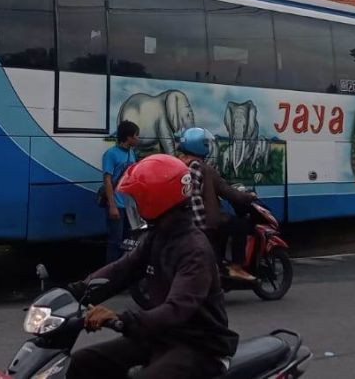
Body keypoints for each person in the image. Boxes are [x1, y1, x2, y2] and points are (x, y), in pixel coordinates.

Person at [66, 153, 238, 379]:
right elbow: (121, 271)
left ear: (156, 199)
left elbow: (176, 309)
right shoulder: (157, 237)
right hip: (160, 336)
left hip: (199, 345)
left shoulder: (194, 250)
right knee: (83, 362)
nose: (135, 205)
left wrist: (120, 319)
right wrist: (74, 292)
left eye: (139, 198)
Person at [174, 127, 257, 282]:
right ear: (199, 145)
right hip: (205, 221)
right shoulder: (198, 166)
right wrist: (248, 197)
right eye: (205, 143)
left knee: (226, 226)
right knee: (240, 225)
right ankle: (236, 267)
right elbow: (225, 191)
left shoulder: (180, 164)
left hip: (185, 218)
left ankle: (219, 267)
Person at [101, 120, 139, 264]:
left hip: (129, 206)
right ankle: (110, 275)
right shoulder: (111, 154)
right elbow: (107, 180)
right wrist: (112, 205)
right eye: (136, 136)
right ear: (128, 137)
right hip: (117, 205)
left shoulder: (131, 153)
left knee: (129, 242)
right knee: (115, 242)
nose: (138, 139)